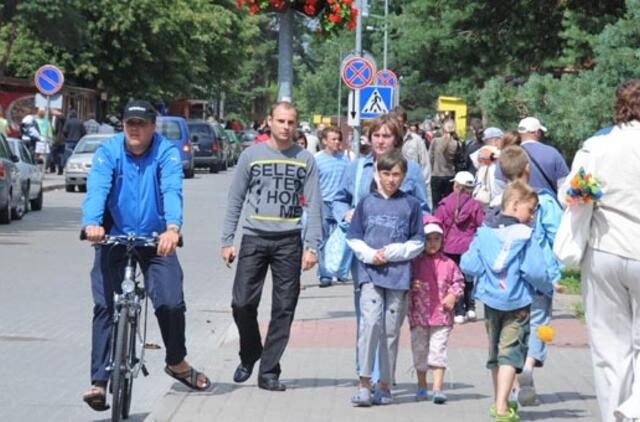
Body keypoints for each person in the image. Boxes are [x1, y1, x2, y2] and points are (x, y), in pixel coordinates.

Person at [81, 100, 210, 411]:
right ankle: (99, 381)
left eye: (141, 123)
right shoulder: (109, 151)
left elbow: (171, 190)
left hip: (156, 239)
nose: (134, 128)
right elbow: (96, 189)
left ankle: (176, 361)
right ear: (123, 125)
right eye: (129, 123)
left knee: (170, 302)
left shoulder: (166, 152)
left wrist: (172, 229)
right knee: (104, 304)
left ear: (153, 126)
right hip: (113, 237)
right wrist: (92, 223)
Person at [221, 101, 322, 392]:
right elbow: (235, 199)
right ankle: (251, 352)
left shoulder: (306, 159)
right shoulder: (250, 156)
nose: (286, 127)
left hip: (289, 242)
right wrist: (227, 240)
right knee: (241, 303)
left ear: (296, 125)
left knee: (284, 308)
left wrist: (312, 246)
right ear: (269, 122)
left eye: (291, 122)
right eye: (281, 121)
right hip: (254, 238)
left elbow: (315, 204)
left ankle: (268, 371)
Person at [562, 80, 640, 421]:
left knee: (610, 346)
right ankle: (635, 406)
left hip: (605, 249)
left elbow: (573, 191)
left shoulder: (597, 146)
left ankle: (615, 414)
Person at [332, 113, 429, 385]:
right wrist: (346, 213)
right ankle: (365, 374)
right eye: (376, 135)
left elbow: (423, 209)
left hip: (398, 259)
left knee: (391, 321)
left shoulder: (411, 171)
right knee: (367, 315)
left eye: (386, 135)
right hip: (363, 254)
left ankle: (383, 376)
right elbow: (338, 199)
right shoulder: (357, 167)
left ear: (396, 139)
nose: (380, 140)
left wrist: (409, 244)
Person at [460, 181, 552, 422]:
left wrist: (485, 272)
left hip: (490, 301)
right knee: (511, 354)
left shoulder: (484, 233)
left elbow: (468, 265)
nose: (532, 217)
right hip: (518, 303)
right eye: (530, 210)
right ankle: (502, 406)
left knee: (495, 353)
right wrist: (547, 288)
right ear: (514, 205)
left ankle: (497, 400)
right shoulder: (525, 235)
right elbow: (534, 270)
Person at [346, 150, 425, 406]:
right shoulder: (366, 203)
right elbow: (354, 236)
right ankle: (364, 382)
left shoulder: (411, 205)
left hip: (398, 276)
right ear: (378, 174)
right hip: (370, 273)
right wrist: (369, 254)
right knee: (370, 324)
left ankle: (385, 384)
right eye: (386, 173)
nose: (391, 179)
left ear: (403, 176)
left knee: (390, 331)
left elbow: (418, 241)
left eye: (396, 174)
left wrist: (395, 252)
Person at [497, 145, 564, 407]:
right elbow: (557, 237)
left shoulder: (501, 201)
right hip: (539, 276)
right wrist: (556, 273)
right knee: (538, 324)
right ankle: (527, 368)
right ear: (528, 169)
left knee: (512, 328)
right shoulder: (543, 201)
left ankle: (515, 387)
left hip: (508, 279)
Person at [408, 215, 464, 404]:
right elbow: (404, 283)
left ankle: (437, 388)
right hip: (419, 316)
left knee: (437, 351)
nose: (432, 243)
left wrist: (453, 295)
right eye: (427, 239)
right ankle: (421, 385)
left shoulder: (449, 264)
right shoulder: (414, 263)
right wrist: (411, 285)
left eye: (436, 239)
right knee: (419, 351)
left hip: (441, 316)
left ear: (442, 240)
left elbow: (459, 282)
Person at [434, 171, 484, 324]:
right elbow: (480, 225)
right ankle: (471, 308)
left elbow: (438, 223)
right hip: (468, 247)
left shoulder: (444, 203)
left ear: (455, 185)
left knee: (454, 280)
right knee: (468, 277)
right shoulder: (474, 205)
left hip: (449, 247)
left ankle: (459, 312)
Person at [495, 117, 569, 195]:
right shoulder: (553, 153)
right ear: (537, 132)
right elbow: (564, 185)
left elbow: (499, 185)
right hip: (547, 204)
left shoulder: (508, 154)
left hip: (519, 204)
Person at [314, 126, 349, 287]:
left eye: (338, 139)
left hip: (340, 205)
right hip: (323, 204)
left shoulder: (345, 160)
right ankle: (325, 274)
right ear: (324, 141)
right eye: (333, 139)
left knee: (342, 239)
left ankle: (341, 270)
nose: (337, 142)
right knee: (323, 240)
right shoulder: (317, 159)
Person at [393, 106, 432, 210]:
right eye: (394, 121)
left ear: (404, 122)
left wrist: (427, 202)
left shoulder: (416, 140)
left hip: (412, 190)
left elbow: (425, 167)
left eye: (399, 121)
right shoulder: (388, 140)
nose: (397, 124)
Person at [470, 127, 504, 208]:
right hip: (489, 193)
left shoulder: (483, 151)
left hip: (489, 193)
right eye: (501, 139)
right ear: (495, 140)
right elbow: (483, 155)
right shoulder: (485, 151)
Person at [429, 119, 459, 206]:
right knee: (448, 204)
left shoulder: (435, 141)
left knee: (436, 205)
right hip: (450, 175)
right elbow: (457, 161)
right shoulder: (456, 144)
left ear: (443, 129)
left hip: (436, 175)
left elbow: (430, 158)